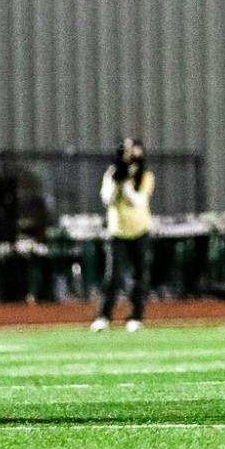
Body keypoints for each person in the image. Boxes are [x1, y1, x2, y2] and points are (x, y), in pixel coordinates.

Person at [91, 136, 154, 330]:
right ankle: (104, 316)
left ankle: (136, 317)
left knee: (139, 276)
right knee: (113, 276)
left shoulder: (146, 176)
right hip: (117, 231)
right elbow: (107, 198)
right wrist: (118, 178)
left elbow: (136, 199)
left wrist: (127, 180)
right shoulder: (111, 174)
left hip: (140, 230)